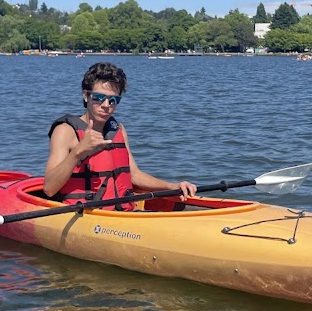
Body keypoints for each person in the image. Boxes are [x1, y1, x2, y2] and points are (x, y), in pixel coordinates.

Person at [43, 61, 197, 208]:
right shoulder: (65, 131)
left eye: (113, 100)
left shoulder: (118, 129)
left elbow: (134, 175)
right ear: (86, 95)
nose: (106, 106)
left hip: (123, 213)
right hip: (85, 215)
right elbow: (49, 188)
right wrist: (78, 151)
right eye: (99, 97)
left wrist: (172, 186)